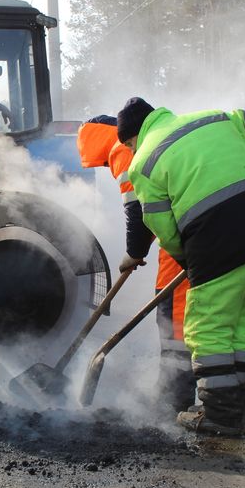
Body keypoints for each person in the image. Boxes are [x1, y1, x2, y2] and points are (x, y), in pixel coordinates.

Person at [116, 97, 245, 436]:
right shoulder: (218, 117)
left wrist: (191, 259)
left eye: (127, 143)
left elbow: (161, 225)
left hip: (216, 241)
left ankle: (218, 414)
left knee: (205, 327)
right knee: (242, 321)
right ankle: (239, 397)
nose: (129, 149)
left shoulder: (142, 163)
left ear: (132, 137)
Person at [77, 115, 195, 412]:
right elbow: (157, 204)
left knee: (172, 312)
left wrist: (134, 250)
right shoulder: (145, 144)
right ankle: (244, 386)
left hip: (183, 238)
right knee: (229, 309)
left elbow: (137, 209)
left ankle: (174, 395)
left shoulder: (120, 150)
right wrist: (139, 248)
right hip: (200, 226)